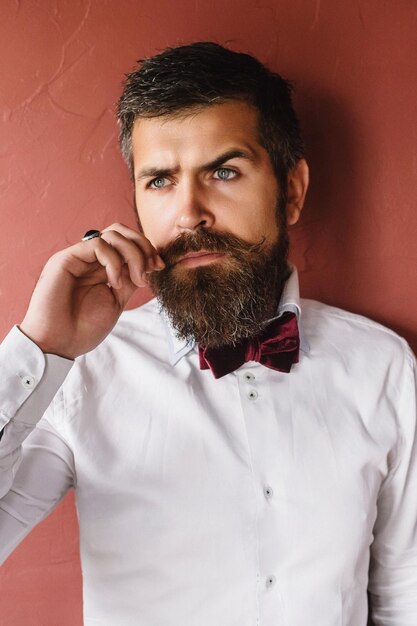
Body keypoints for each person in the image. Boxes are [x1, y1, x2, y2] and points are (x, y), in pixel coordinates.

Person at [0, 41, 416, 626]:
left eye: (223, 171)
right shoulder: (83, 371)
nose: (189, 212)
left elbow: (404, 593)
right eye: (160, 181)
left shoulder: (383, 366)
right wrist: (39, 350)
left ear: (291, 191)